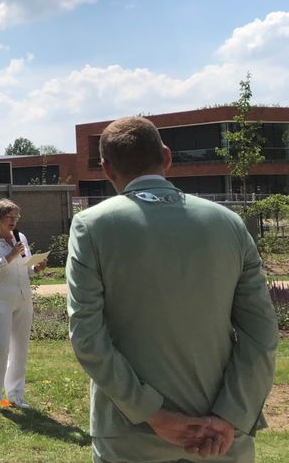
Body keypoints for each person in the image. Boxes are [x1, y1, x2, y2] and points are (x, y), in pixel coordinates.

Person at [67, 116, 278, 462]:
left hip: (131, 436)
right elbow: (262, 331)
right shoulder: (229, 223)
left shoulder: (92, 226)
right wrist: (231, 415)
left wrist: (153, 414)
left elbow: (88, 337)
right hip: (221, 437)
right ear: (166, 157)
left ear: (105, 168)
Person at [0, 198, 45, 410]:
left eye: (16, 217)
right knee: (0, 347)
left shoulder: (20, 237)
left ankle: (15, 395)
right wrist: (10, 255)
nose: (14, 221)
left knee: (20, 349)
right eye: (9, 217)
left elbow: (26, 266)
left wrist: (37, 267)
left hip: (23, 298)